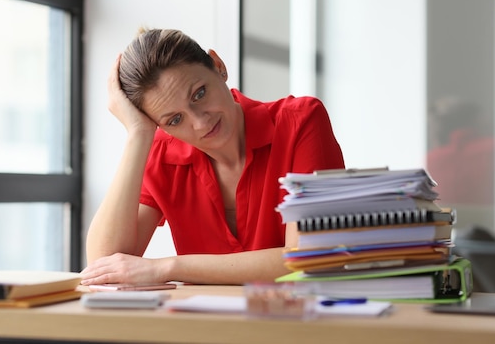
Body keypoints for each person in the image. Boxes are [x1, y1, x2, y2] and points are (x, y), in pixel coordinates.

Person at [81, 28, 345, 286]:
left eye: (199, 93)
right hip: (205, 327)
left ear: (218, 66)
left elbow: (308, 260)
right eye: (174, 119)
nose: (199, 121)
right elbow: (103, 265)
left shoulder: (301, 122)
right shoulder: (162, 152)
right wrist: (137, 134)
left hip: (297, 325)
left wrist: (166, 268)